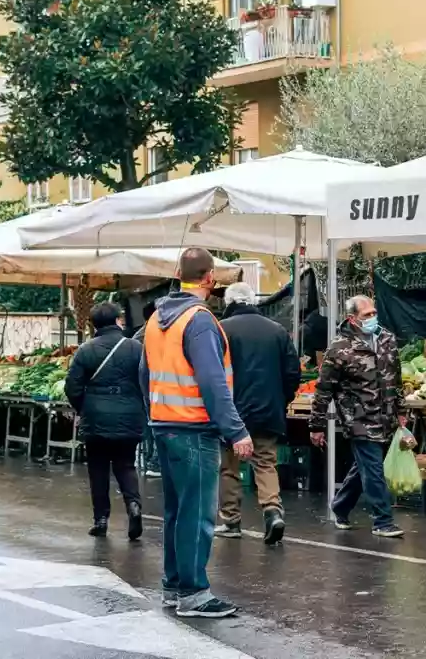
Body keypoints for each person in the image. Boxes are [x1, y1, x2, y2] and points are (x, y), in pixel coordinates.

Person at [140, 248, 253, 619]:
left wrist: (155, 414)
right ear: (209, 278)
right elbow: (212, 382)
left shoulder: (156, 319)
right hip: (194, 428)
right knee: (198, 514)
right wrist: (236, 431)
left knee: (177, 511)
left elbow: (144, 373)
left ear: (179, 274)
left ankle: (174, 586)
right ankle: (192, 593)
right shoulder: (200, 320)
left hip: (164, 425)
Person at [309, 295, 415, 538]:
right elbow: (324, 390)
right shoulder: (340, 348)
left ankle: (341, 505)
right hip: (358, 419)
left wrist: (401, 411)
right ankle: (383, 521)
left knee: (365, 467)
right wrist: (316, 425)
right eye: (367, 315)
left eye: (374, 313)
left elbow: (396, 379)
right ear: (352, 318)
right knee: (373, 469)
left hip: (386, 416)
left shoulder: (387, 339)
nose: (372, 318)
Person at [216, 282, 301, 545]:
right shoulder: (277, 330)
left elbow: (213, 372)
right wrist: (282, 399)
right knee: (265, 463)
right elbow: (292, 372)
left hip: (231, 411)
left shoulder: (221, 329)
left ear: (229, 302)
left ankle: (231, 520)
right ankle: (272, 511)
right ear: (253, 300)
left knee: (229, 467)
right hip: (268, 411)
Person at [65, 302, 146, 540]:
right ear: (118, 320)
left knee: (98, 468)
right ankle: (133, 505)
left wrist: (84, 408)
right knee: (126, 464)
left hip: (96, 418)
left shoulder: (86, 350)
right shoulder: (136, 348)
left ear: (93, 324)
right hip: (130, 415)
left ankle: (100, 519)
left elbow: (72, 386)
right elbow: (147, 380)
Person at [133, 301, 161, 478]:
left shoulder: (139, 335)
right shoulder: (150, 334)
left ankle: (151, 459)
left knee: (151, 426)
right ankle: (155, 462)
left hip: (147, 388)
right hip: (154, 387)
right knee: (155, 426)